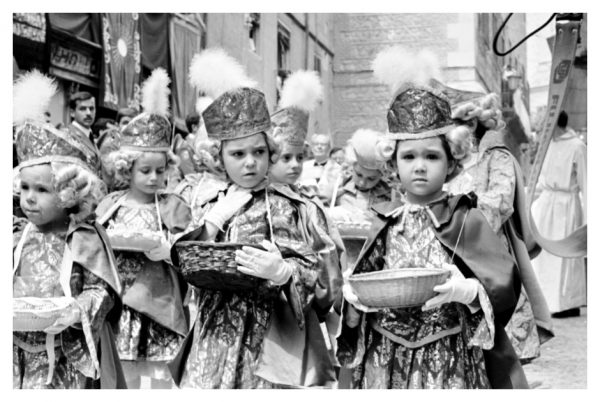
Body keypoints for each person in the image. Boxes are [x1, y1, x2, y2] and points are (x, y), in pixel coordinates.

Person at [336, 46, 526, 389]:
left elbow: (503, 285)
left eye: (431, 156)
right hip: (386, 356)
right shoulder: (383, 221)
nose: (420, 165)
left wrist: (468, 291)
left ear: (451, 162)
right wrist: (352, 298)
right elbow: (359, 287)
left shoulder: (466, 218)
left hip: (448, 354)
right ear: (393, 165)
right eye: (408, 156)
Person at [168, 48, 336, 388]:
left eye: (258, 152)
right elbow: (183, 262)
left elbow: (320, 275)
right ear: (220, 157)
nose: (249, 162)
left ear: (270, 153)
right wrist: (213, 222)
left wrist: (285, 271)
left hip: (272, 335)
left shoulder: (292, 205)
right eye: (238, 153)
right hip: (215, 332)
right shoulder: (211, 201)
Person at [13, 70, 125, 389]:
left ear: (67, 193)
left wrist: (77, 310)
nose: (29, 198)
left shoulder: (83, 237)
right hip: (17, 348)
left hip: (66, 351)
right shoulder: (19, 234)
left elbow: (101, 290)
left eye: (42, 190)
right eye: (25, 188)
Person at [97, 68, 192, 389]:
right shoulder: (111, 203)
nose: (154, 178)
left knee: (157, 376)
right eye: (145, 171)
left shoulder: (173, 205)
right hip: (118, 301)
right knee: (121, 372)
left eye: (160, 170)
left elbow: (188, 249)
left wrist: (170, 251)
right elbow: (93, 241)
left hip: (158, 298)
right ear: (127, 168)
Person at [445, 89, 554, 363]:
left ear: (475, 123)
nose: (458, 130)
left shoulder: (496, 156)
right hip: (452, 246)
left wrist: (466, 211)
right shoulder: (448, 161)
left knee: (498, 329)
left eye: (463, 123)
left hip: (490, 247)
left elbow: (502, 199)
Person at [268, 69, 345, 378]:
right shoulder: (253, 201)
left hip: (303, 307)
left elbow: (330, 258)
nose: (295, 165)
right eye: (285, 158)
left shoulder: (310, 206)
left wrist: (327, 300)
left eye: (299, 157)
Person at [531, 111, 587, 317]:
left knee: (565, 255)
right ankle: (547, 301)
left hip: (567, 205)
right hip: (546, 202)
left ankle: (567, 302)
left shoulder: (577, 147)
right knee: (545, 256)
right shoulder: (547, 145)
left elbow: (587, 183)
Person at [329, 128, 393, 222]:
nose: (362, 183)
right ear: (351, 168)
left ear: (381, 176)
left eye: (371, 179)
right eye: (358, 175)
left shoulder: (389, 194)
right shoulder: (338, 187)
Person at [299, 132, 343, 205]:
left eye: (323, 144)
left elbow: (332, 195)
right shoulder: (303, 167)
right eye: (316, 144)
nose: (319, 147)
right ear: (312, 148)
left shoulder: (338, 170)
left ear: (329, 148)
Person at [66, 91, 101, 175]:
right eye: (83, 109)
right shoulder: (68, 135)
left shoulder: (90, 136)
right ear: (72, 112)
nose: (88, 113)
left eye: (91, 108)